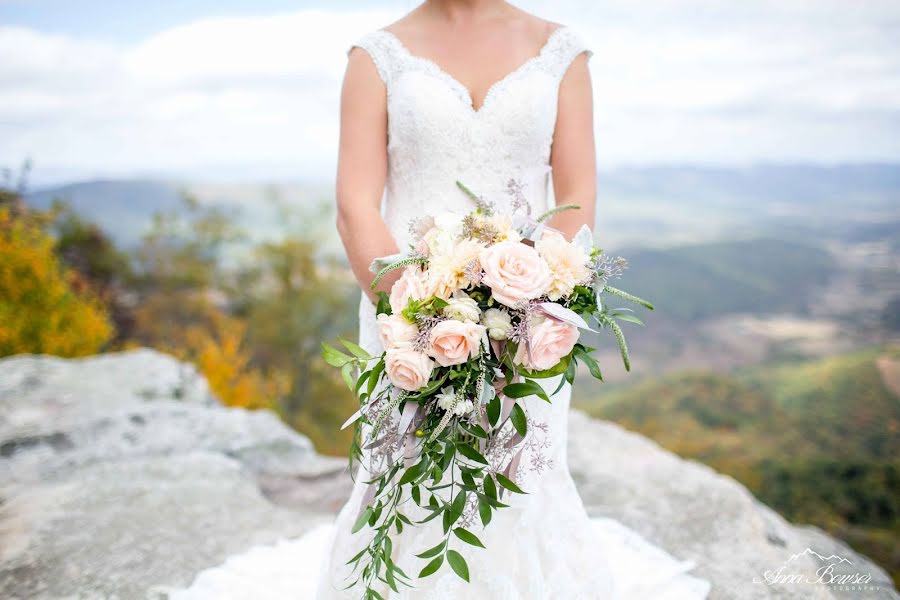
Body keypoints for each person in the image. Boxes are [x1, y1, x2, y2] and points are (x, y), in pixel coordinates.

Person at [173, 2, 712, 598]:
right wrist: (416, 315)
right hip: (403, 308)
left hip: (531, 315)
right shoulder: (377, 56)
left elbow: (578, 192)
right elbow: (356, 206)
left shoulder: (562, 51)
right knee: (408, 470)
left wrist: (532, 298)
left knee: (520, 468)